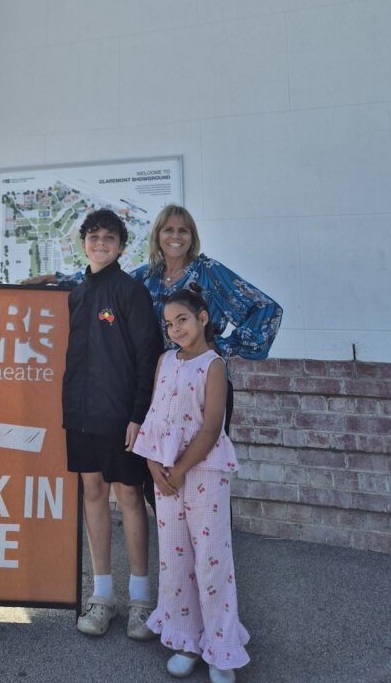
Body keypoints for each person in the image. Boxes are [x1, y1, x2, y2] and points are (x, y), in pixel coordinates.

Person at [26, 204, 283, 431]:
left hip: (201, 379)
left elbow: (266, 309)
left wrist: (222, 346)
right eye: (168, 230)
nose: (175, 236)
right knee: (160, 459)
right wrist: (54, 279)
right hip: (161, 381)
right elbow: (103, 281)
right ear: (158, 236)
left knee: (199, 459)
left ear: (192, 237)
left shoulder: (209, 272)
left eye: (183, 231)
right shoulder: (148, 275)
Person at [133, 286, 249, 683]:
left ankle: (221, 647)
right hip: (164, 474)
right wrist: (152, 463)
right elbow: (154, 415)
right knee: (174, 559)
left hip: (202, 473)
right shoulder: (165, 361)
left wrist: (181, 469)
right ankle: (186, 640)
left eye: (182, 319)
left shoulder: (213, 365)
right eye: (169, 324)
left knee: (212, 562)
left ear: (202, 317)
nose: (175, 329)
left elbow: (212, 427)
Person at [62, 208, 163, 640]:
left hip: (120, 418)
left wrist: (138, 415)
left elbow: (148, 357)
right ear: (83, 243)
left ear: (121, 246)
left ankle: (141, 600)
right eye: (93, 236)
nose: (100, 243)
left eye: (109, 237)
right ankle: (102, 596)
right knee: (93, 494)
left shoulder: (130, 292)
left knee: (130, 496)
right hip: (80, 415)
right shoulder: (77, 293)